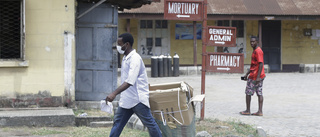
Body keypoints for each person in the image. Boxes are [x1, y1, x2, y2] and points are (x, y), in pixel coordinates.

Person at [106, 33, 162, 137]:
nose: (118, 46)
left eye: (120, 44)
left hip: (138, 99)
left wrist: (114, 93)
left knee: (150, 124)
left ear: (126, 44)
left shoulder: (135, 59)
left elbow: (130, 81)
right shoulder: (125, 57)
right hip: (126, 99)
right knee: (117, 124)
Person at [240, 36, 266, 116]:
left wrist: (258, 77)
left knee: (249, 92)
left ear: (257, 42)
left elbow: (261, 64)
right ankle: (259, 111)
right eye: (251, 42)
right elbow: (253, 66)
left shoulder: (258, 51)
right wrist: (246, 74)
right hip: (255, 75)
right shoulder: (255, 51)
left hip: (256, 76)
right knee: (259, 92)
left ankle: (248, 110)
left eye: (253, 41)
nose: (252, 43)